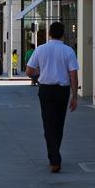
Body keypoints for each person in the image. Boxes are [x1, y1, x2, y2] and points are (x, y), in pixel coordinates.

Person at [25, 22, 80, 173]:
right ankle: (55, 157)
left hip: (46, 90)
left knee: (48, 123)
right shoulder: (69, 51)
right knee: (59, 124)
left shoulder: (40, 49)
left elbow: (29, 71)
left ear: (49, 33)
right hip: (62, 90)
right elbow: (73, 75)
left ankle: (54, 158)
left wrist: (40, 73)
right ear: (63, 34)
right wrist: (75, 96)